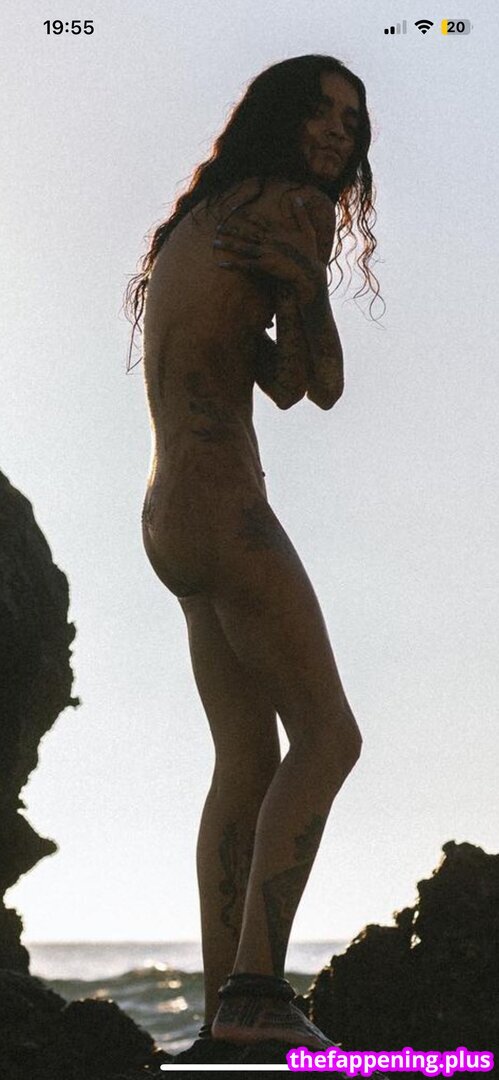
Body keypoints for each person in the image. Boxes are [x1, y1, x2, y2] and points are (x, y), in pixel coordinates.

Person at [123, 53, 383, 1051]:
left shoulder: (205, 214)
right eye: (319, 111)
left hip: (167, 513)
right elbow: (326, 387)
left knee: (244, 755)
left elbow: (275, 380)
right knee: (330, 738)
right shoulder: (293, 206)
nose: (335, 133)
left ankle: (221, 1018)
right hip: (226, 504)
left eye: (350, 121)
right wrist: (311, 287)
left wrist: (293, 304)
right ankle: (258, 996)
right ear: (279, 117)